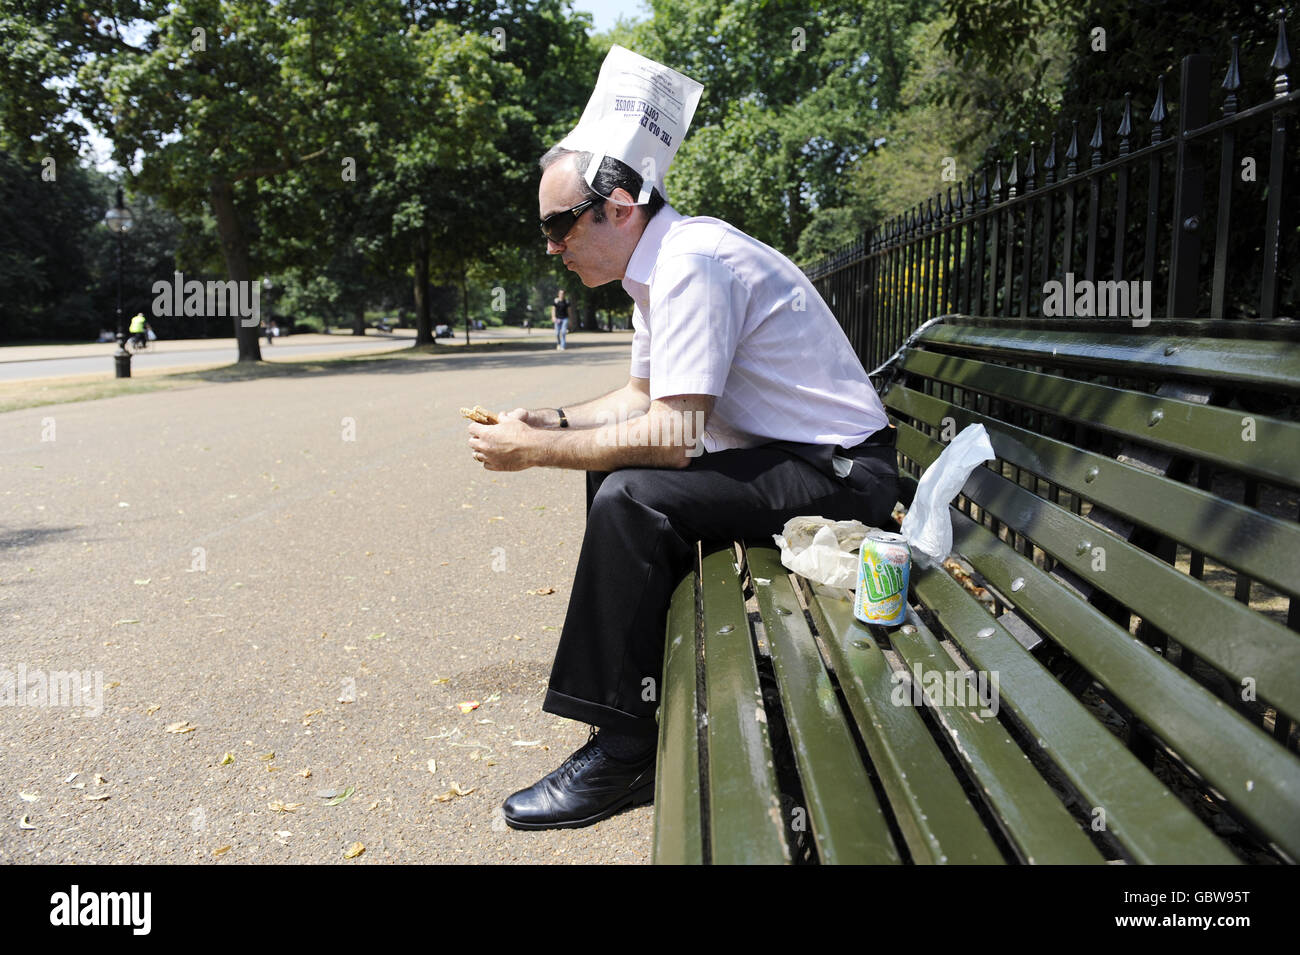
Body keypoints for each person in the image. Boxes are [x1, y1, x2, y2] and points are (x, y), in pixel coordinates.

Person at [464, 47, 897, 831]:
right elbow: (639, 398)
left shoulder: (693, 262)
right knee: (613, 473)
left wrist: (534, 453)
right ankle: (643, 696)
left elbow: (677, 436)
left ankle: (624, 754)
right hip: (793, 457)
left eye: (559, 225)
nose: (552, 247)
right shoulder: (654, 269)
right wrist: (549, 421)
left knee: (632, 489)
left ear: (620, 204)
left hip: (843, 472)